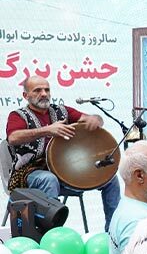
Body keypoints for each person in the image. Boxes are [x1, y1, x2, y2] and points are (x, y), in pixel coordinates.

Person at [5, 76, 120, 230]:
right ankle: (51, 234)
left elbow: (90, 119)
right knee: (49, 179)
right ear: (26, 96)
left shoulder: (62, 111)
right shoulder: (18, 115)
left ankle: (112, 232)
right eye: (37, 90)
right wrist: (47, 130)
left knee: (110, 178)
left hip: (65, 172)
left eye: (47, 90)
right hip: (29, 174)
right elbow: (13, 137)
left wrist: (96, 119)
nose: (44, 94)